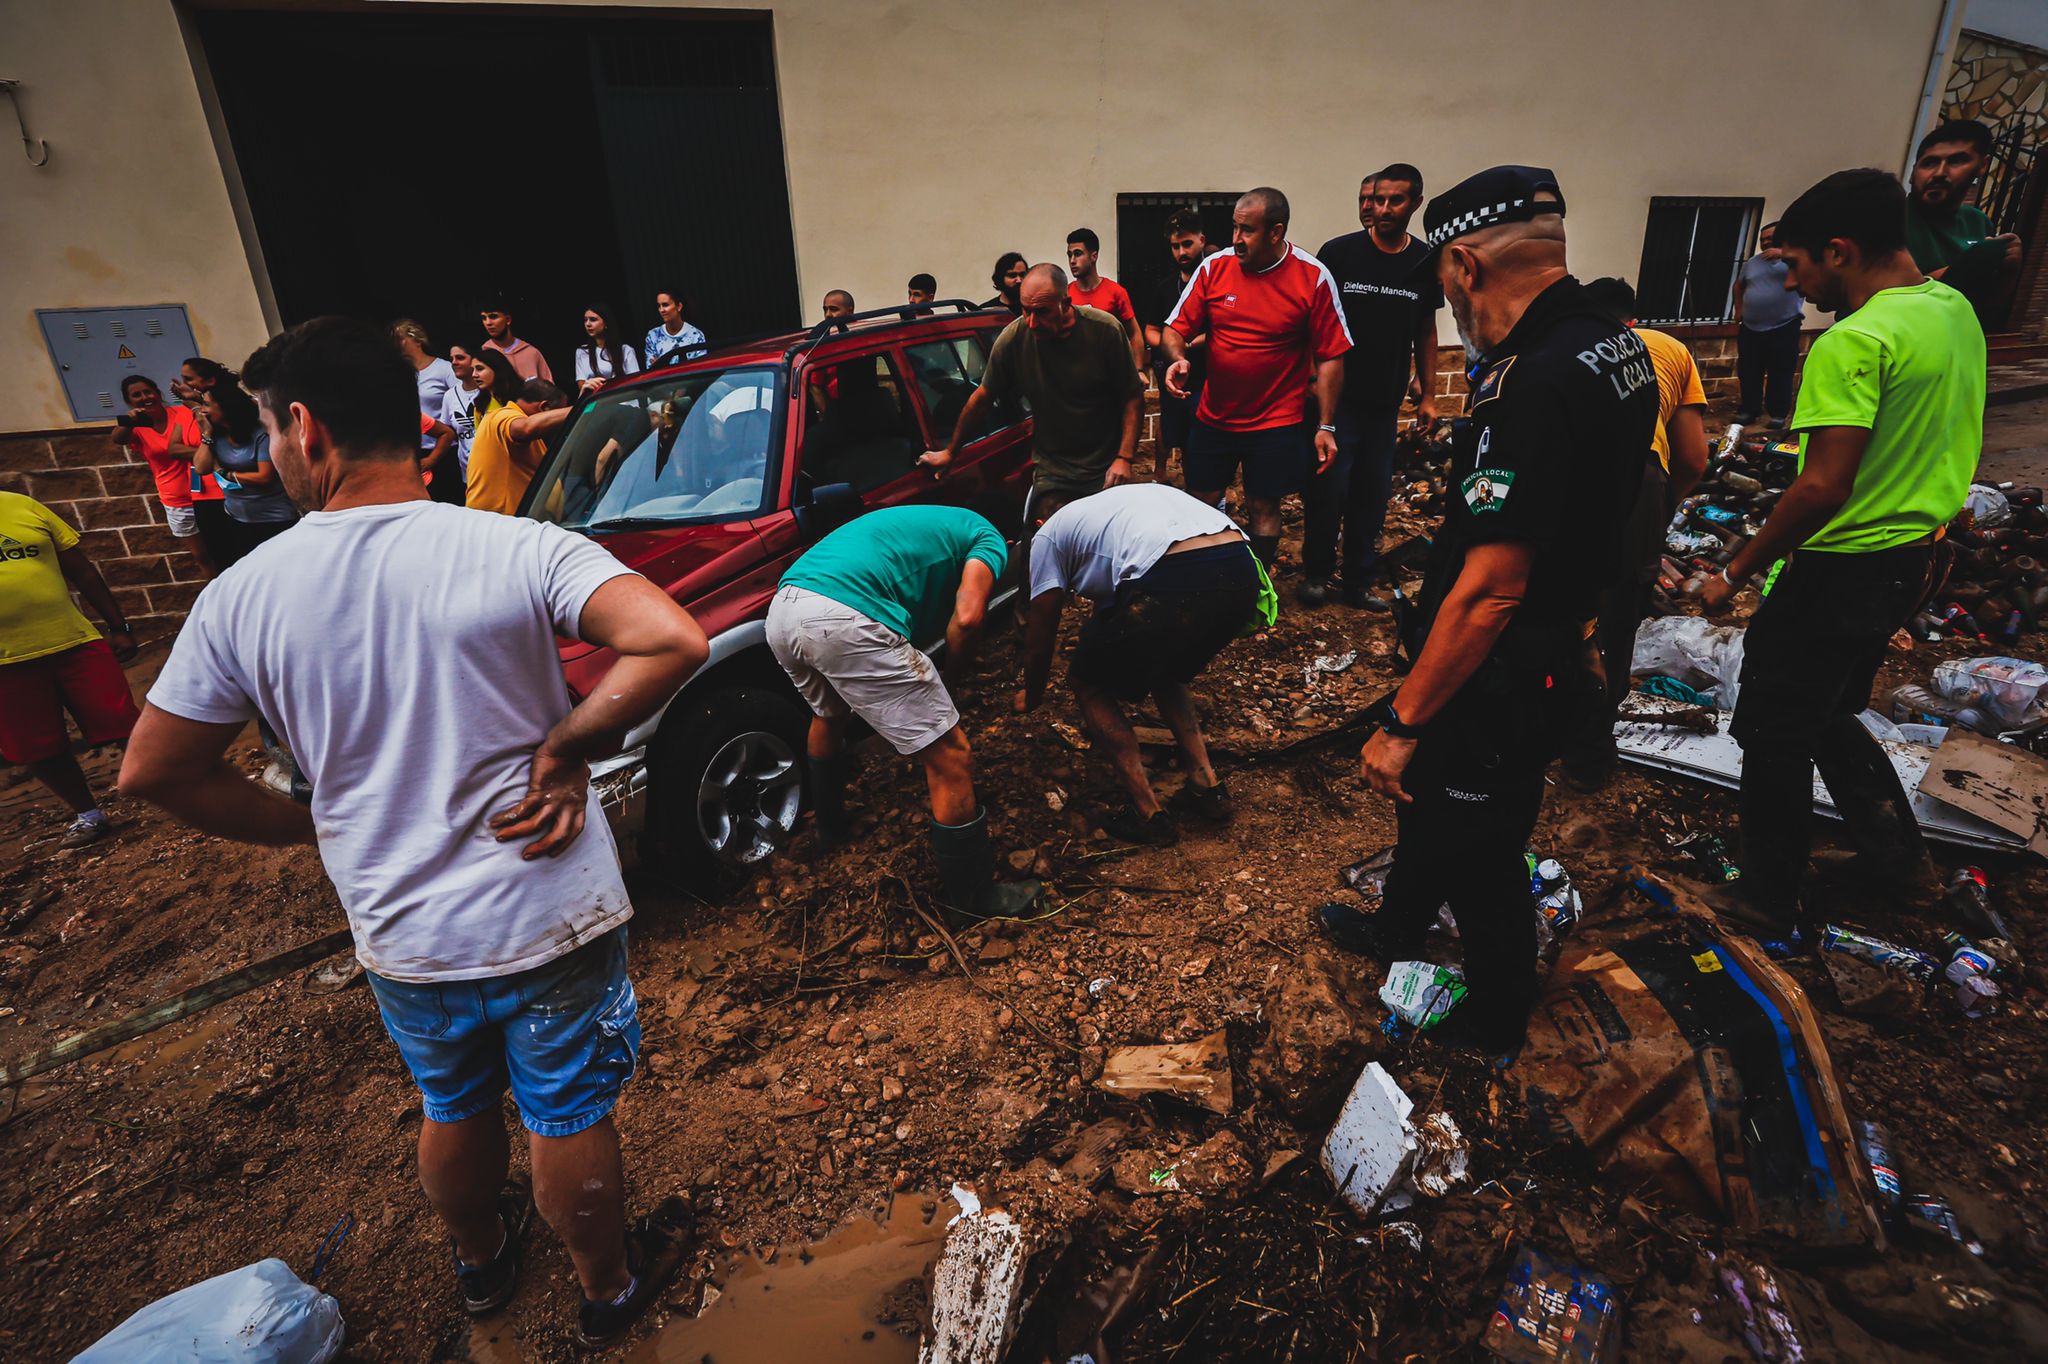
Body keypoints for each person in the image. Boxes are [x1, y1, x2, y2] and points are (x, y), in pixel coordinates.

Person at [118, 316, 710, 1346]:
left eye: (262, 427)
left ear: (304, 429)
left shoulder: (240, 597)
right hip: (544, 903)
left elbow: (154, 769)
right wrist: (567, 744)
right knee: (565, 1110)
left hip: (403, 929)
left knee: (452, 1101)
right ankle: (609, 1288)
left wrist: (307, 826)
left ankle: (481, 1266)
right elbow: (670, 637)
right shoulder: (518, 543)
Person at [1328, 166, 1657, 1057]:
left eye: (1443, 278)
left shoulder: (1532, 382)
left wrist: (1402, 720)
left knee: (1477, 839)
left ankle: (1496, 1014)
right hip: (1554, 632)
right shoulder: (1612, 341)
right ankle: (1397, 924)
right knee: (1433, 806)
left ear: (1465, 264)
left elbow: (1492, 589)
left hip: (1506, 658)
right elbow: (1608, 502)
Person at [1695, 169, 1983, 932]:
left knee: (1773, 730)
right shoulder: (1950, 310)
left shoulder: (1853, 340)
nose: (1790, 280)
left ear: (1839, 250)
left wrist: (1735, 570)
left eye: (1796, 263)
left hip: (1844, 566)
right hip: (1914, 559)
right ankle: (1900, 866)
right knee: (1827, 715)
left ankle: (1767, 896)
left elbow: (1821, 488)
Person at [765, 505, 1038, 919]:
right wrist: (952, 680)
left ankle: (830, 830)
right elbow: (967, 618)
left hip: (784, 610)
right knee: (950, 754)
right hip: (841, 617)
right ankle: (973, 901)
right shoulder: (988, 536)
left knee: (829, 715)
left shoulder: (931, 522)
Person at [1016, 483, 1255, 844]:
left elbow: (1041, 630)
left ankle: (1147, 813)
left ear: (1038, 522)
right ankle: (1206, 784)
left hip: (1175, 574)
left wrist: (1031, 694)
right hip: (1240, 568)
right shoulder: (1116, 508)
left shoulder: (1048, 535)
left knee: (1088, 683)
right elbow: (1114, 602)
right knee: (1167, 668)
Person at [1562, 276, 1710, 787]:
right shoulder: (1669, 348)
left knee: (1554, 605)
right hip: (1642, 479)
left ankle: (1531, 734)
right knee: (1616, 621)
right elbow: (1694, 458)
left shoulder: (1567, 342)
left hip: (1567, 474)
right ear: (1634, 317)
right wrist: (1659, 506)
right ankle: (1588, 759)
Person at [1160, 187, 1352, 570]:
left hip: (1275, 420)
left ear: (1276, 232)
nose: (1235, 240)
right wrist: (1178, 358)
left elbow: (1331, 355)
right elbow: (1174, 329)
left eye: (1246, 230)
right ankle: (1202, 578)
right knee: (1199, 498)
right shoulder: (1215, 268)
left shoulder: (1312, 277)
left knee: (1264, 504)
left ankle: (1257, 582)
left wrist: (1326, 425)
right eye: (1234, 228)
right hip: (1215, 415)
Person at [1302, 164, 1443, 610]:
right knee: (1328, 491)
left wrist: (1429, 394)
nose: (1382, 209)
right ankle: (1317, 576)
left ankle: (1359, 581)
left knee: (1371, 495)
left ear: (1415, 204)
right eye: (1378, 199)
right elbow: (1312, 319)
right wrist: (1310, 374)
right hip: (1335, 403)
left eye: (1394, 201)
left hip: (1385, 404)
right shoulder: (1340, 254)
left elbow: (1426, 330)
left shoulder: (1423, 262)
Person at [921, 263, 1142, 523]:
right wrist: (950, 452)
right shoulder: (1014, 339)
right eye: (1026, 311)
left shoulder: (1104, 330)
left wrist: (1124, 458)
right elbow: (982, 398)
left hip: (1106, 466)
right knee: (1046, 539)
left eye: (1042, 311)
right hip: (1053, 471)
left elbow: (1132, 396)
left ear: (1065, 303)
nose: (1032, 322)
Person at [0, 491, 140, 849]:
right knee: (36, 747)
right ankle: (88, 814)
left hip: (74, 643)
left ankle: (178, 787)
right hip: (6, 664)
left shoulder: (24, 505)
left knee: (125, 721)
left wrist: (118, 626)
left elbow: (81, 569)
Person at [1904, 118, 2024, 333]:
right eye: (1929, 163)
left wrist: (2008, 270)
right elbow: (1891, 294)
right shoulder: (1889, 217)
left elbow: (1989, 310)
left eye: (1956, 161)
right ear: (1913, 172)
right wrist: (1974, 263)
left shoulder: (1977, 221)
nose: (1939, 172)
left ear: (1982, 166)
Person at [113, 374, 234, 572]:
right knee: (202, 556)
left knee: (224, 548)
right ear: (129, 401)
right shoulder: (137, 428)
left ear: (158, 393)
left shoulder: (181, 413)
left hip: (208, 493)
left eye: (148, 391)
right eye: (137, 395)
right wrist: (128, 422)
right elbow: (117, 439)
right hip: (177, 499)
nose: (145, 397)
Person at [192, 374, 299, 564]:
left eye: (207, 404)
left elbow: (264, 476)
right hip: (237, 516)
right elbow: (201, 468)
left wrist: (227, 474)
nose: (203, 410)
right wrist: (206, 433)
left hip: (272, 517)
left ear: (225, 406)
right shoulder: (217, 435)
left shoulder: (260, 434)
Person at [1144, 208, 1218, 476]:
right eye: (1175, 246)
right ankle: (1160, 477)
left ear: (1201, 240)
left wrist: (1187, 344)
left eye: (1187, 244)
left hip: (1205, 376)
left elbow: (1220, 330)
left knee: (1198, 436)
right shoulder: (1165, 287)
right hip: (1171, 376)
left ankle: (1199, 487)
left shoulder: (1215, 285)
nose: (1181, 252)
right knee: (1169, 427)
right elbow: (1151, 330)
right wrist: (1169, 346)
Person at [468, 377, 573, 516]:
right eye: (556, 415)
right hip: (500, 525)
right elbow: (526, 428)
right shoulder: (501, 416)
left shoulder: (536, 440)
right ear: (544, 408)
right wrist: (577, 410)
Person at [1732, 222, 1803, 426]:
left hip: (1784, 325)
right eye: (1762, 239)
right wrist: (1738, 310)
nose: (1765, 243)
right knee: (1749, 370)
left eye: (1770, 238)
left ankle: (1778, 414)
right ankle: (1749, 410)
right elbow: (1739, 286)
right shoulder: (1752, 263)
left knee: (1780, 371)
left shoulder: (1795, 261)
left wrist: (1783, 254)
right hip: (1751, 328)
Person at [392, 320, 463, 502]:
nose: (397, 343)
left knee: (446, 499)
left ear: (417, 340)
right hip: (412, 450)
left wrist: (434, 457)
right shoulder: (401, 373)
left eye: (401, 338)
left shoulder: (444, 369)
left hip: (441, 446)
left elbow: (461, 400)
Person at [1065, 228, 1147, 374]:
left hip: (1110, 373)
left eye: (1078, 254)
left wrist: (1138, 371)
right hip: (1075, 374)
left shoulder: (1115, 292)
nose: (1072, 261)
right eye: (1069, 255)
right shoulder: (1065, 294)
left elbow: (1134, 334)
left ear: (1094, 256)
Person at [573, 302, 640, 396]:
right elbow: (582, 385)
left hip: (624, 399)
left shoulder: (625, 350)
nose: (588, 324)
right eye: (585, 320)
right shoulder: (582, 352)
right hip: (596, 401)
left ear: (606, 323)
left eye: (593, 320)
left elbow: (635, 382)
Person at [441, 342, 485, 481]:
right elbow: (448, 431)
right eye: (451, 359)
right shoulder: (449, 396)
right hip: (469, 473)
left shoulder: (488, 389)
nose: (454, 362)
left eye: (460, 358)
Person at [480, 301, 554, 384]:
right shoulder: (483, 353)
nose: (488, 322)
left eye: (493, 317)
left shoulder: (531, 353)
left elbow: (550, 391)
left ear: (508, 320)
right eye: (484, 318)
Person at [643, 287, 708, 367]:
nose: (661, 310)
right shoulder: (653, 336)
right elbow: (651, 371)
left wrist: (662, 366)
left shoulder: (696, 335)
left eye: (665, 305)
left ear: (679, 306)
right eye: (659, 306)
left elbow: (699, 369)